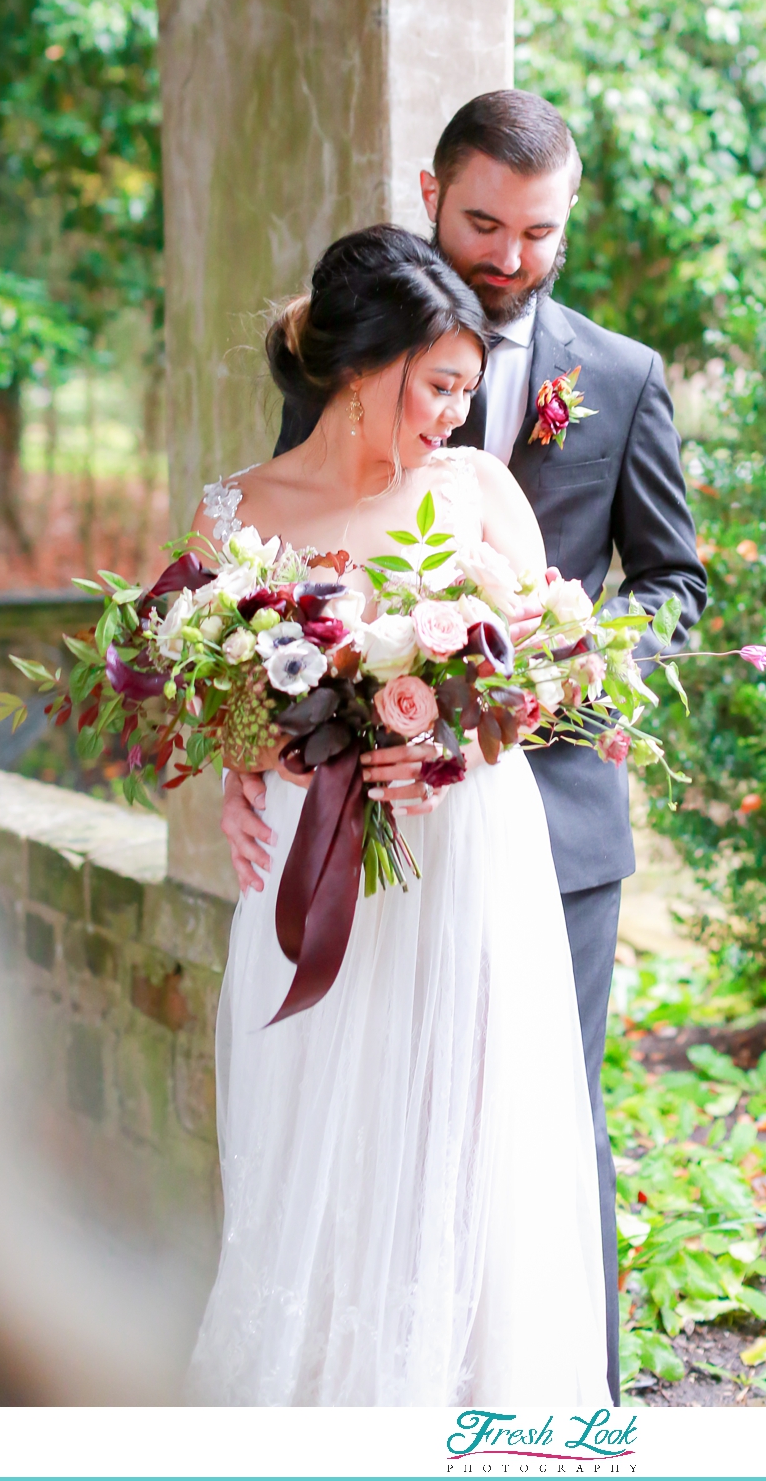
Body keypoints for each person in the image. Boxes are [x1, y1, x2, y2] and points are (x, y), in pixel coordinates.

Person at [222, 91, 707, 1403]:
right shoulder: (349, 366)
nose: (510, 254)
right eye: (485, 222)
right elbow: (265, 609)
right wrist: (256, 750)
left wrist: (535, 665)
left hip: (544, 823)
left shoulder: (618, 376)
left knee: (540, 1142)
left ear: (566, 224)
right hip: (358, 836)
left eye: (537, 232)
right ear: (432, 192)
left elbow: (671, 584)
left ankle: (549, 1411)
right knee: (367, 1134)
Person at [187, 226, 609, 1405]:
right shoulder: (238, 509)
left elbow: (549, 679)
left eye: (468, 391)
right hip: (313, 877)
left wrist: (455, 748)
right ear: (367, 365)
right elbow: (217, 693)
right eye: (438, 388)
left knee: (463, 1153)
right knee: (324, 1153)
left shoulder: (473, 490)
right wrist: (239, 766)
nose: (452, 418)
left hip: (463, 864)